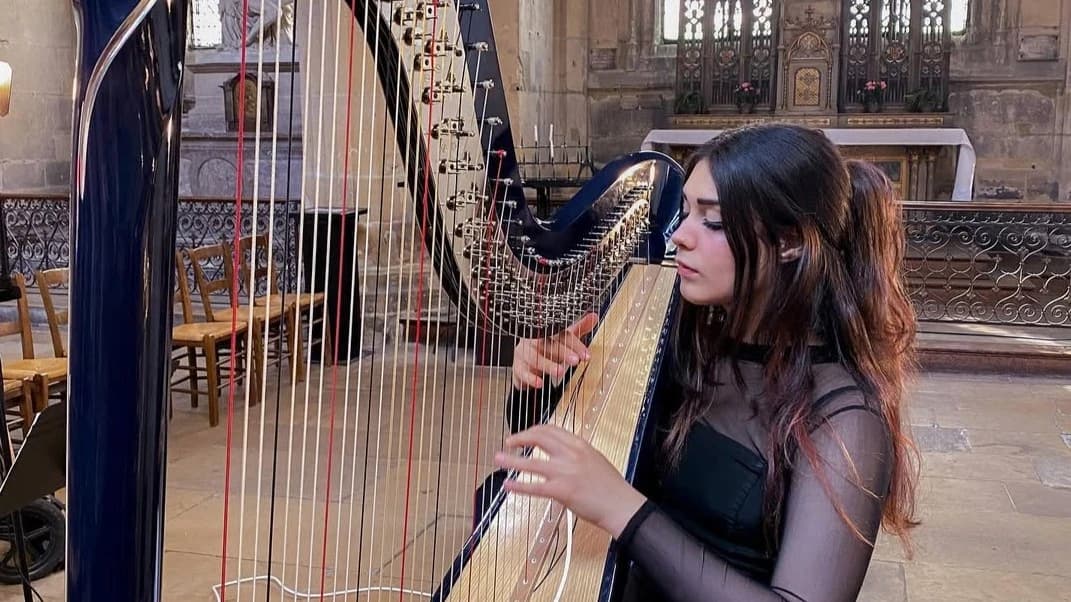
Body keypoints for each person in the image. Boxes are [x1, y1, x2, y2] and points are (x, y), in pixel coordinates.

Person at [493, 124, 920, 601]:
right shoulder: (679, 332)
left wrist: (622, 509)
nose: (678, 236)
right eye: (684, 212)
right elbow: (545, 447)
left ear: (790, 241)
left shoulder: (846, 418)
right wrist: (537, 377)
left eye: (711, 221)